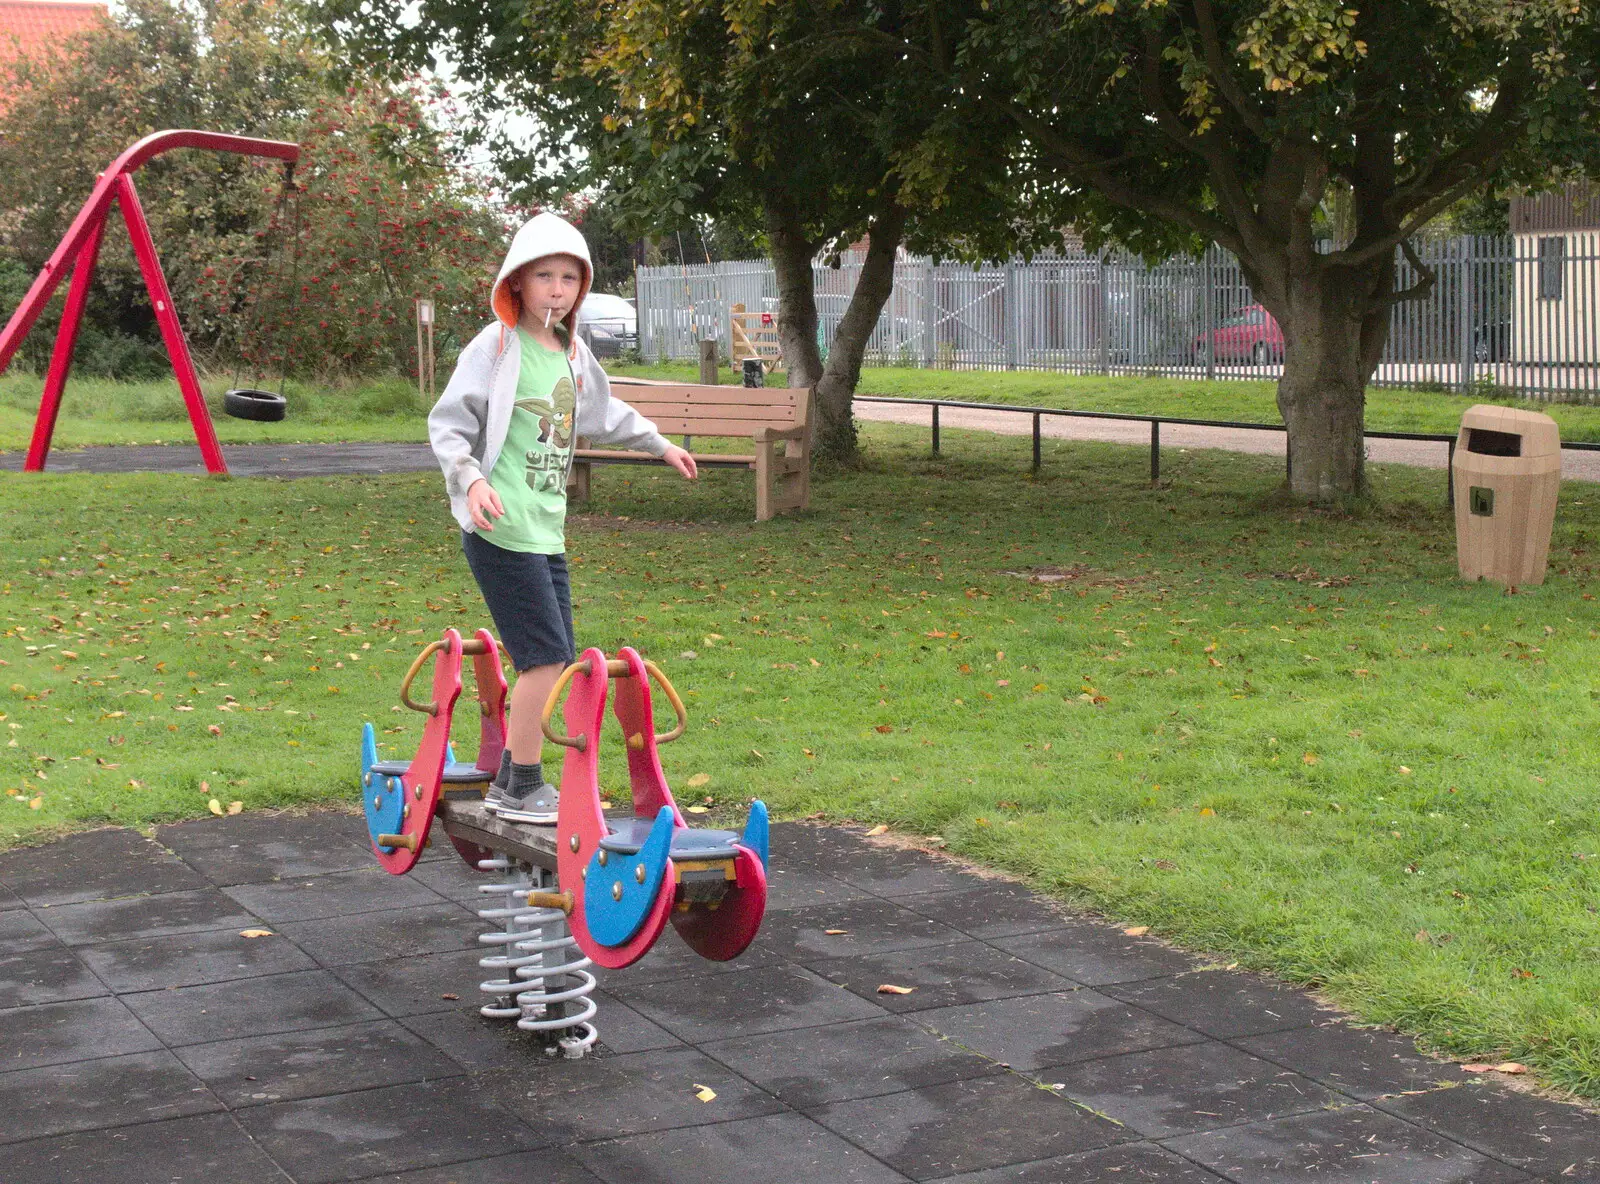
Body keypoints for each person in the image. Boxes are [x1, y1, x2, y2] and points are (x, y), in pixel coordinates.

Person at [428, 212, 696, 822]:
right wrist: (469, 482)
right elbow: (448, 425)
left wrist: (659, 443)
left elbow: (605, 412)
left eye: (569, 278)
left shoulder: (571, 352)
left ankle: (510, 775)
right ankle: (520, 786)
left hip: (545, 530)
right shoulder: (496, 347)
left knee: (553, 655)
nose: (557, 288)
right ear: (517, 283)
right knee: (544, 659)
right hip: (500, 529)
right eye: (544, 275)